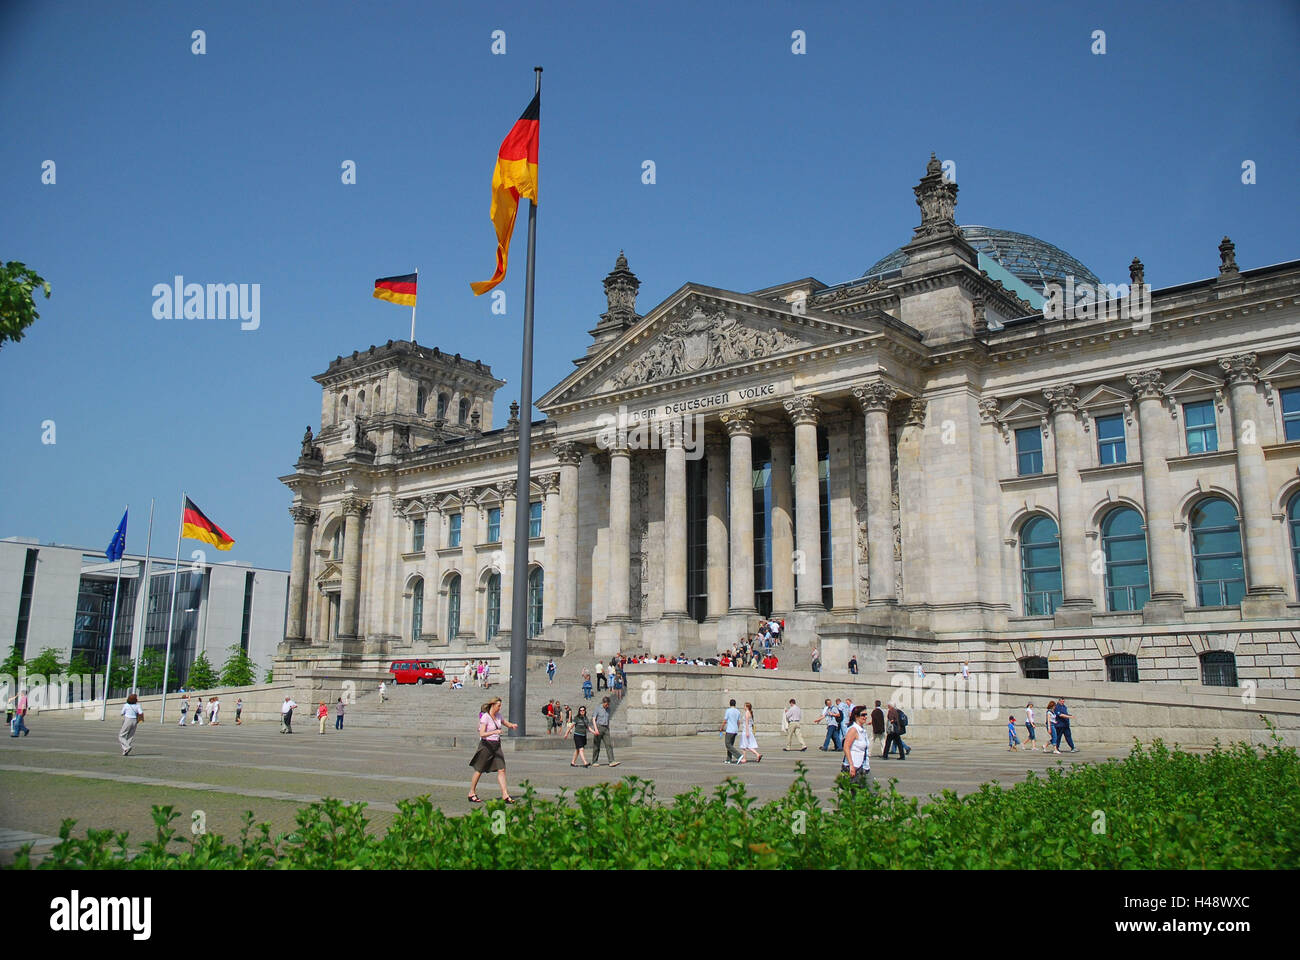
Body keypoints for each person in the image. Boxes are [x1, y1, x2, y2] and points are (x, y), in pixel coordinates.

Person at [468, 697, 517, 803]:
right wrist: (494, 732)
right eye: (498, 705)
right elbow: (482, 733)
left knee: (502, 769)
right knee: (479, 769)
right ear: (493, 705)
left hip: (497, 746)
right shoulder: (485, 717)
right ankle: (471, 792)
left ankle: (505, 795)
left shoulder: (498, 716)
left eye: (500, 705)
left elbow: (504, 722)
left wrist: (511, 725)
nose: (500, 708)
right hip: (486, 745)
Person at [841, 705, 872, 790]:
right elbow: (846, 747)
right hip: (855, 767)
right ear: (856, 716)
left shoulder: (862, 730)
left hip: (864, 767)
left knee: (866, 794)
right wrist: (851, 765)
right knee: (864, 793)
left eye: (866, 715)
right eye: (863, 715)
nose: (865, 717)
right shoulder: (853, 730)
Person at [590, 696, 621, 766]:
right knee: (596, 746)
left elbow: (607, 719)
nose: (607, 706)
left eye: (608, 704)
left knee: (609, 744)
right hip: (598, 727)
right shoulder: (598, 708)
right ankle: (594, 761)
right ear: (603, 703)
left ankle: (611, 761)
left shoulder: (608, 709)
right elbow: (593, 719)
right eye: (606, 704)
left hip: (606, 728)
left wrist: (608, 728)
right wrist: (596, 729)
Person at [721, 699, 743, 764]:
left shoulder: (728, 711)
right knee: (731, 745)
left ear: (730, 704)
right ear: (735, 704)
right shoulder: (738, 711)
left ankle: (739, 756)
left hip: (729, 730)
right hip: (735, 730)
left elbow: (725, 720)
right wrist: (737, 729)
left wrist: (721, 728)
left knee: (727, 744)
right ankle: (728, 759)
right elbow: (738, 722)